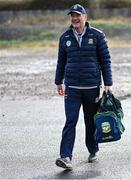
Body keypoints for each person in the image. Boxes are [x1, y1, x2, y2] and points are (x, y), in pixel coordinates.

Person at [55, 4, 113, 170]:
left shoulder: (97, 36)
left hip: (91, 87)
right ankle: (66, 157)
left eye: (78, 15)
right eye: (72, 15)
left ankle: (93, 149)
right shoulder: (64, 37)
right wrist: (58, 81)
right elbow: (61, 62)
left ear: (85, 17)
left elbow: (105, 60)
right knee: (70, 121)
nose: (74, 18)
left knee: (90, 122)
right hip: (71, 88)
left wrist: (108, 83)